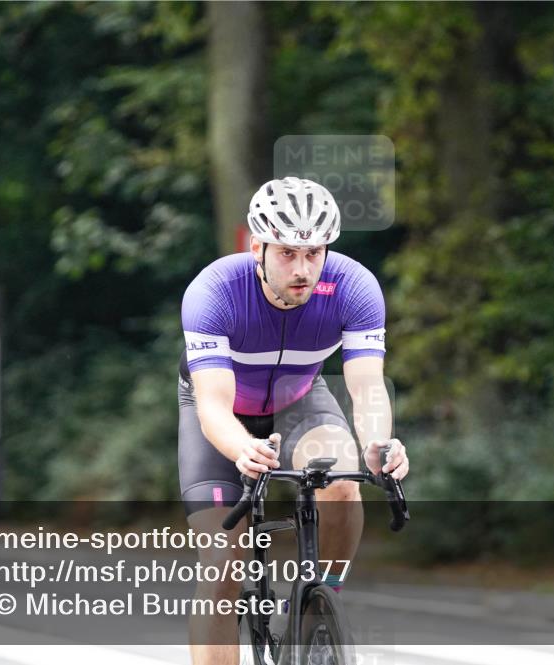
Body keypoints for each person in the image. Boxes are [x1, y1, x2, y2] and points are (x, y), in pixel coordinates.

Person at [178, 176, 409, 665]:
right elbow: (213, 405)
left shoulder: (353, 287)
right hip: (223, 412)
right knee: (223, 564)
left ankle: (320, 601)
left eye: (314, 253)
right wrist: (241, 448)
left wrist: (378, 443)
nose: (302, 269)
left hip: (299, 398)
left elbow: (367, 387)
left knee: (343, 481)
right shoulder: (215, 290)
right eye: (287, 253)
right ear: (256, 247)